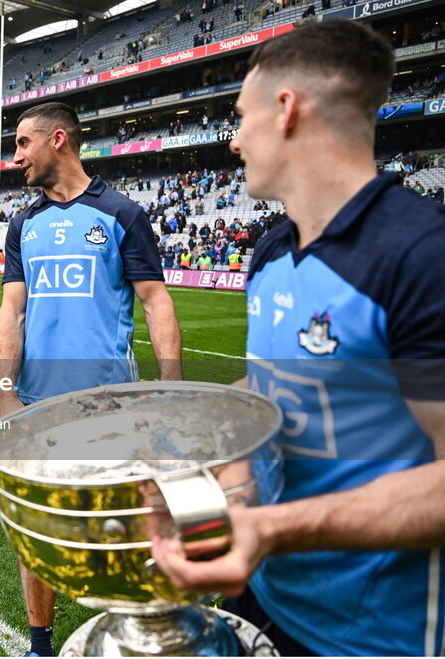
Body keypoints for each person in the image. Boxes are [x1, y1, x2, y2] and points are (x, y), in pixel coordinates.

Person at [150, 21, 445, 656]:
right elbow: (274, 391)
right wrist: (191, 453)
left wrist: (273, 528)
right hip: (259, 596)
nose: (232, 140)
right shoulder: (272, 249)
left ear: (285, 110)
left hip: (370, 636)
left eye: (238, 116)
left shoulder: (423, 255)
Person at [0, 102, 183, 656]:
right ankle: (40, 645)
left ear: (58, 140)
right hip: (35, 406)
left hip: (110, 407)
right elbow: (12, 312)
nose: (16, 158)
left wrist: (172, 389)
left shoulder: (121, 213)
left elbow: (156, 302)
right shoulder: (22, 222)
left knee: (124, 528)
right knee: (36, 532)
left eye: (23, 144)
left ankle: (134, 637)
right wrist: (6, 392)